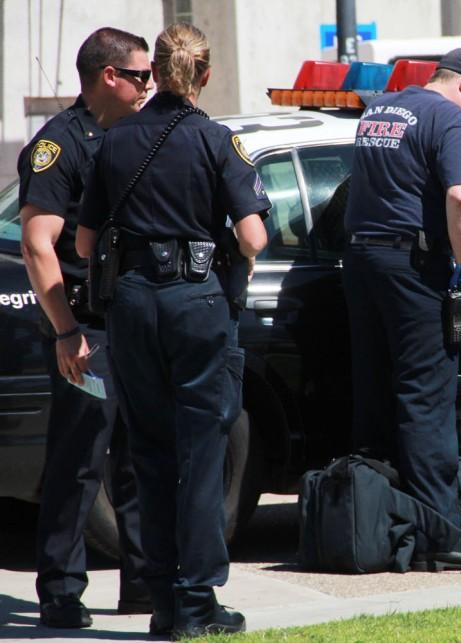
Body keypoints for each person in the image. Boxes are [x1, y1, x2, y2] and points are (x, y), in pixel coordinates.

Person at [75, 23, 269, 637]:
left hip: (132, 306)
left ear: (152, 72)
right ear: (204, 75)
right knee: (202, 452)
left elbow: (83, 241)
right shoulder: (216, 140)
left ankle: (161, 598)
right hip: (196, 303)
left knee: (149, 454)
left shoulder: (112, 140)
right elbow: (253, 236)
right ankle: (196, 601)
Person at [342, 48, 461, 571]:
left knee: (376, 392)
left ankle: (383, 525)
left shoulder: (380, 109)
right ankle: (443, 534)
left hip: (362, 262)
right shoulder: (450, 119)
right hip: (413, 268)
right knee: (426, 396)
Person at [18, 27, 153, 629]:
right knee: (79, 460)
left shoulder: (137, 136)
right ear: (111, 77)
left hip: (133, 321)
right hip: (87, 330)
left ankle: (145, 582)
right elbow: (37, 244)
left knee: (139, 459)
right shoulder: (59, 145)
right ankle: (61, 590)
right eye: (143, 75)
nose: (152, 85)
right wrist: (66, 331)